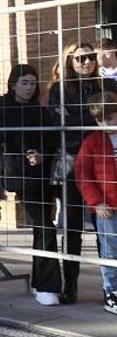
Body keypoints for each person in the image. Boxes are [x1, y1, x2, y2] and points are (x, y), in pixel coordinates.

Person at [46, 41, 117, 304]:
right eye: (78, 59)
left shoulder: (107, 85)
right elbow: (60, 123)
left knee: (106, 231)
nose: (85, 62)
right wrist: (93, 120)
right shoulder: (59, 89)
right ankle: (70, 285)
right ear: (69, 62)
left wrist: (77, 118)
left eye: (89, 57)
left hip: (106, 161)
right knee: (72, 228)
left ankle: (109, 289)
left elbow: (105, 120)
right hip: (70, 164)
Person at [0, 64, 62, 306]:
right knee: (45, 225)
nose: (30, 87)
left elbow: (51, 140)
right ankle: (46, 286)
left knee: (43, 225)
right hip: (22, 175)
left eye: (33, 82)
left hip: (43, 174)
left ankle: (39, 282)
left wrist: (41, 155)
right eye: (25, 83)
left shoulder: (38, 109)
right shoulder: (2, 108)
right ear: (13, 84)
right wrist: (22, 158)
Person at [73, 90, 117, 315]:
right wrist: (96, 203)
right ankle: (112, 294)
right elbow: (82, 174)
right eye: (100, 120)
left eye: (109, 118)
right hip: (107, 209)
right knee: (110, 252)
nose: (105, 123)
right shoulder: (92, 141)